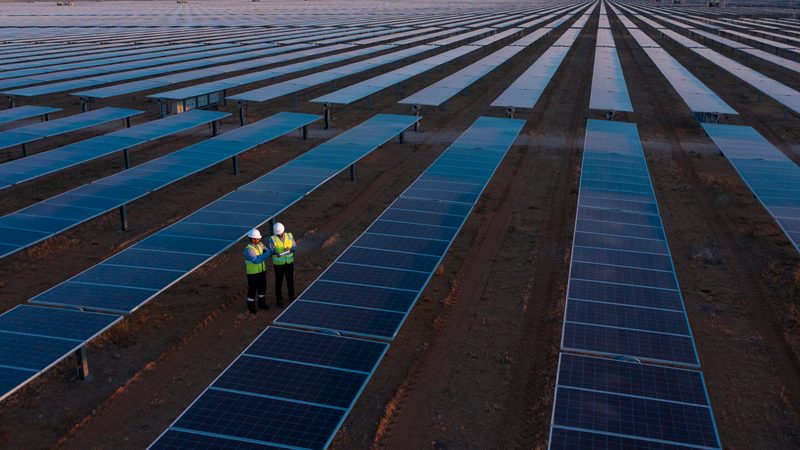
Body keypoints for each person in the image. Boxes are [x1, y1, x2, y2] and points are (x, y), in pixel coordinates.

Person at [268, 222, 296, 308]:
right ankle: (279, 300)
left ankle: (291, 296)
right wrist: (275, 252)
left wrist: (290, 249)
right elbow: (271, 251)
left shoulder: (289, 236)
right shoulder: (272, 239)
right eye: (278, 233)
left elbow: (295, 247)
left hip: (289, 263)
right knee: (279, 282)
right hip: (278, 265)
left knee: (290, 280)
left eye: (280, 233)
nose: (279, 234)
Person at [243, 228, 269, 313]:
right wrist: (267, 254)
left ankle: (261, 304)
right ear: (252, 239)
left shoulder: (260, 244)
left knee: (262, 288)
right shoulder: (248, 250)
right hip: (253, 273)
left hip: (262, 271)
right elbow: (256, 260)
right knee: (253, 289)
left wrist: (265, 254)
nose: (259, 239)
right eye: (257, 238)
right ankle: (251, 307)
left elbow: (266, 250)